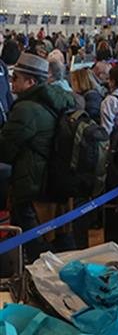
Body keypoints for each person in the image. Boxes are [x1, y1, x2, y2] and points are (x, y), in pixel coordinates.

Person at [0, 53, 75, 260]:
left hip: (31, 185)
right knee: (59, 243)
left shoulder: (26, 109)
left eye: (16, 78)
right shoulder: (59, 100)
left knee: (35, 249)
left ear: (31, 82)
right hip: (56, 183)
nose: (11, 82)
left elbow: (5, 149)